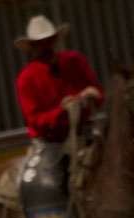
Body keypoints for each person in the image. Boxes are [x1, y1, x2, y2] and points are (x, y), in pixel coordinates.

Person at [14, 15, 103, 143]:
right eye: (40, 43)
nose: (46, 47)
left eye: (49, 41)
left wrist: (94, 95)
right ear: (33, 47)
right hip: (51, 142)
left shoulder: (75, 61)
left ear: (55, 40)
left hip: (87, 132)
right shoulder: (26, 78)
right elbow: (34, 120)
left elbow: (99, 94)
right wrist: (61, 111)